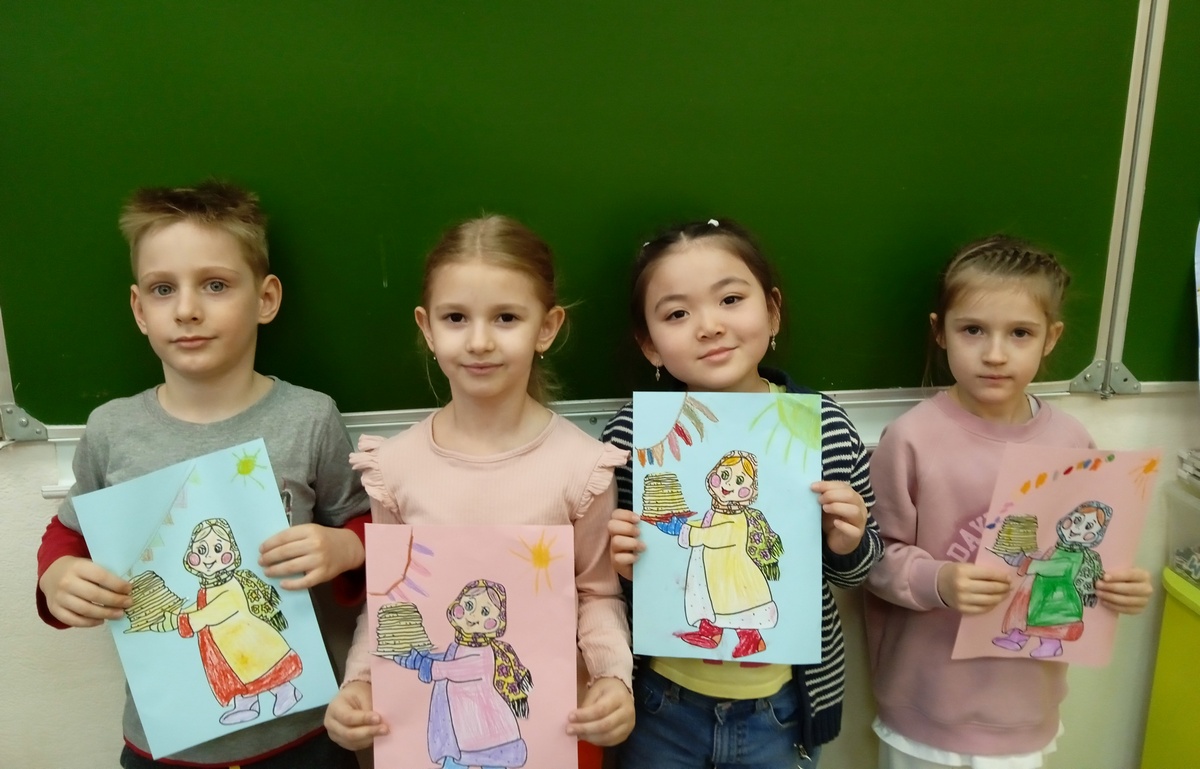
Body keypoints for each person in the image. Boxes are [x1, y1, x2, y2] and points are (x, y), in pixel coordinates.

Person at [35, 180, 371, 769]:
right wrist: (57, 575)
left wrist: (346, 547)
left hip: (303, 736)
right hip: (163, 742)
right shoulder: (112, 429)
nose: (187, 309)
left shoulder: (309, 418)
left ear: (266, 298)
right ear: (139, 309)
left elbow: (369, 528)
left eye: (215, 285)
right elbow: (70, 532)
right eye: (163, 289)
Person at [323, 215, 635, 769]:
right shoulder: (395, 467)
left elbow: (597, 593)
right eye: (456, 318)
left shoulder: (581, 467)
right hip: (434, 729)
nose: (480, 341)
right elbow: (389, 601)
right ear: (427, 328)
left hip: (555, 730)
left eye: (507, 317)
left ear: (547, 327)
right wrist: (361, 683)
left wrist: (613, 678)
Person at [864, 236, 1153, 769]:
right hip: (926, 708)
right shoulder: (911, 439)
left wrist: (1117, 587)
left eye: (1020, 333)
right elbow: (873, 558)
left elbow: (1087, 556)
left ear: (1050, 338)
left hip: (1025, 707)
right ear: (940, 332)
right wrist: (938, 581)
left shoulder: (1072, 443)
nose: (995, 354)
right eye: (972, 330)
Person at [604, 218, 883, 768]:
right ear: (649, 344)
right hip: (660, 704)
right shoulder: (633, 437)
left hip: (780, 709)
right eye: (677, 314)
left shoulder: (823, 427)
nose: (709, 326)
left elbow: (859, 571)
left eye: (730, 299)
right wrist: (619, 564)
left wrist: (848, 541)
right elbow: (603, 585)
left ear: (772, 312)